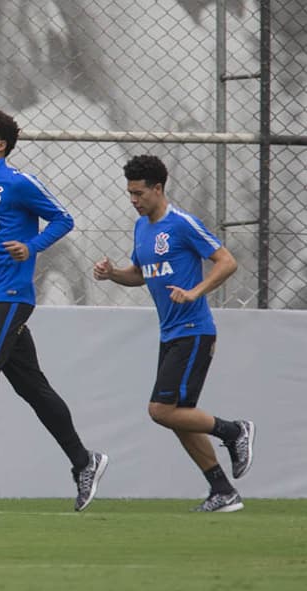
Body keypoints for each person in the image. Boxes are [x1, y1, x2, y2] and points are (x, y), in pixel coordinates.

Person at [0, 109, 107, 512]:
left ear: (1, 145)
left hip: (11, 295)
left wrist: (32, 247)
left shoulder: (18, 183)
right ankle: (85, 461)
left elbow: (63, 219)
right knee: (32, 387)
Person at [93, 154, 255, 512]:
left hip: (194, 331)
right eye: (129, 194)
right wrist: (112, 274)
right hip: (170, 334)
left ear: (158, 188)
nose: (133, 200)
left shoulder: (182, 223)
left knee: (160, 411)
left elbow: (227, 261)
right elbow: (140, 274)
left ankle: (234, 431)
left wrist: (195, 291)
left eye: (139, 193)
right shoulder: (142, 228)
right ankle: (223, 492)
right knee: (179, 415)